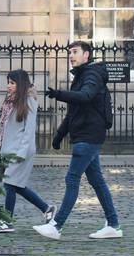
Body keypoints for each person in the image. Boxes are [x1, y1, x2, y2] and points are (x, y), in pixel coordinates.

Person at [34, 40, 122, 239]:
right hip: (86, 134)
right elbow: (74, 111)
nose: (71, 56)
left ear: (86, 55)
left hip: (89, 135)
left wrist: (58, 94)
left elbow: (85, 96)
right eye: (69, 52)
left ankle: (56, 226)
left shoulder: (92, 75)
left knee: (72, 178)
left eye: (75, 52)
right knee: (96, 180)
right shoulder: (83, 75)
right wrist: (59, 135)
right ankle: (113, 225)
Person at [0, 70, 55, 232]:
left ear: (21, 84)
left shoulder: (29, 101)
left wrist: (21, 153)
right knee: (17, 185)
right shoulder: (10, 101)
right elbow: (4, 125)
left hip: (21, 150)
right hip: (8, 148)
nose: (8, 86)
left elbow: (29, 129)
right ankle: (47, 209)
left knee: (9, 184)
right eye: (8, 82)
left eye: (12, 83)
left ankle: (7, 221)